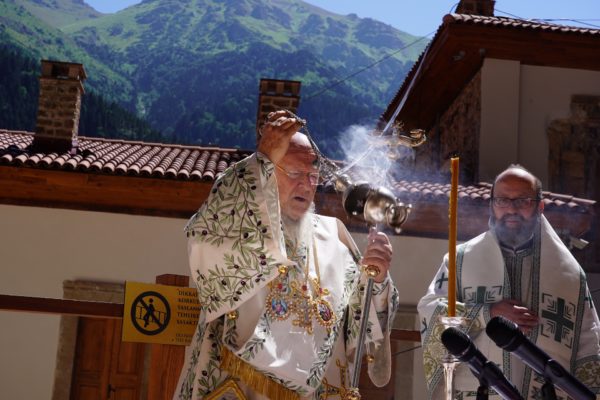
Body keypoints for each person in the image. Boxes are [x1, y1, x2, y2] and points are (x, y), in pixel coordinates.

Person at [174, 110, 398, 400]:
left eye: (313, 176)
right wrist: (263, 155)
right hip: (241, 388)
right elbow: (210, 231)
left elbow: (358, 321)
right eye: (293, 173)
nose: (306, 184)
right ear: (266, 173)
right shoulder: (244, 222)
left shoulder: (335, 237)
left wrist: (377, 280)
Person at [418, 165, 600, 399]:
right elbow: (430, 310)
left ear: (540, 207)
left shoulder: (570, 274)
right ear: (492, 205)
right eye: (502, 201)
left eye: (523, 201)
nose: (512, 209)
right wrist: (488, 313)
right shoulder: (460, 259)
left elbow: (589, 344)